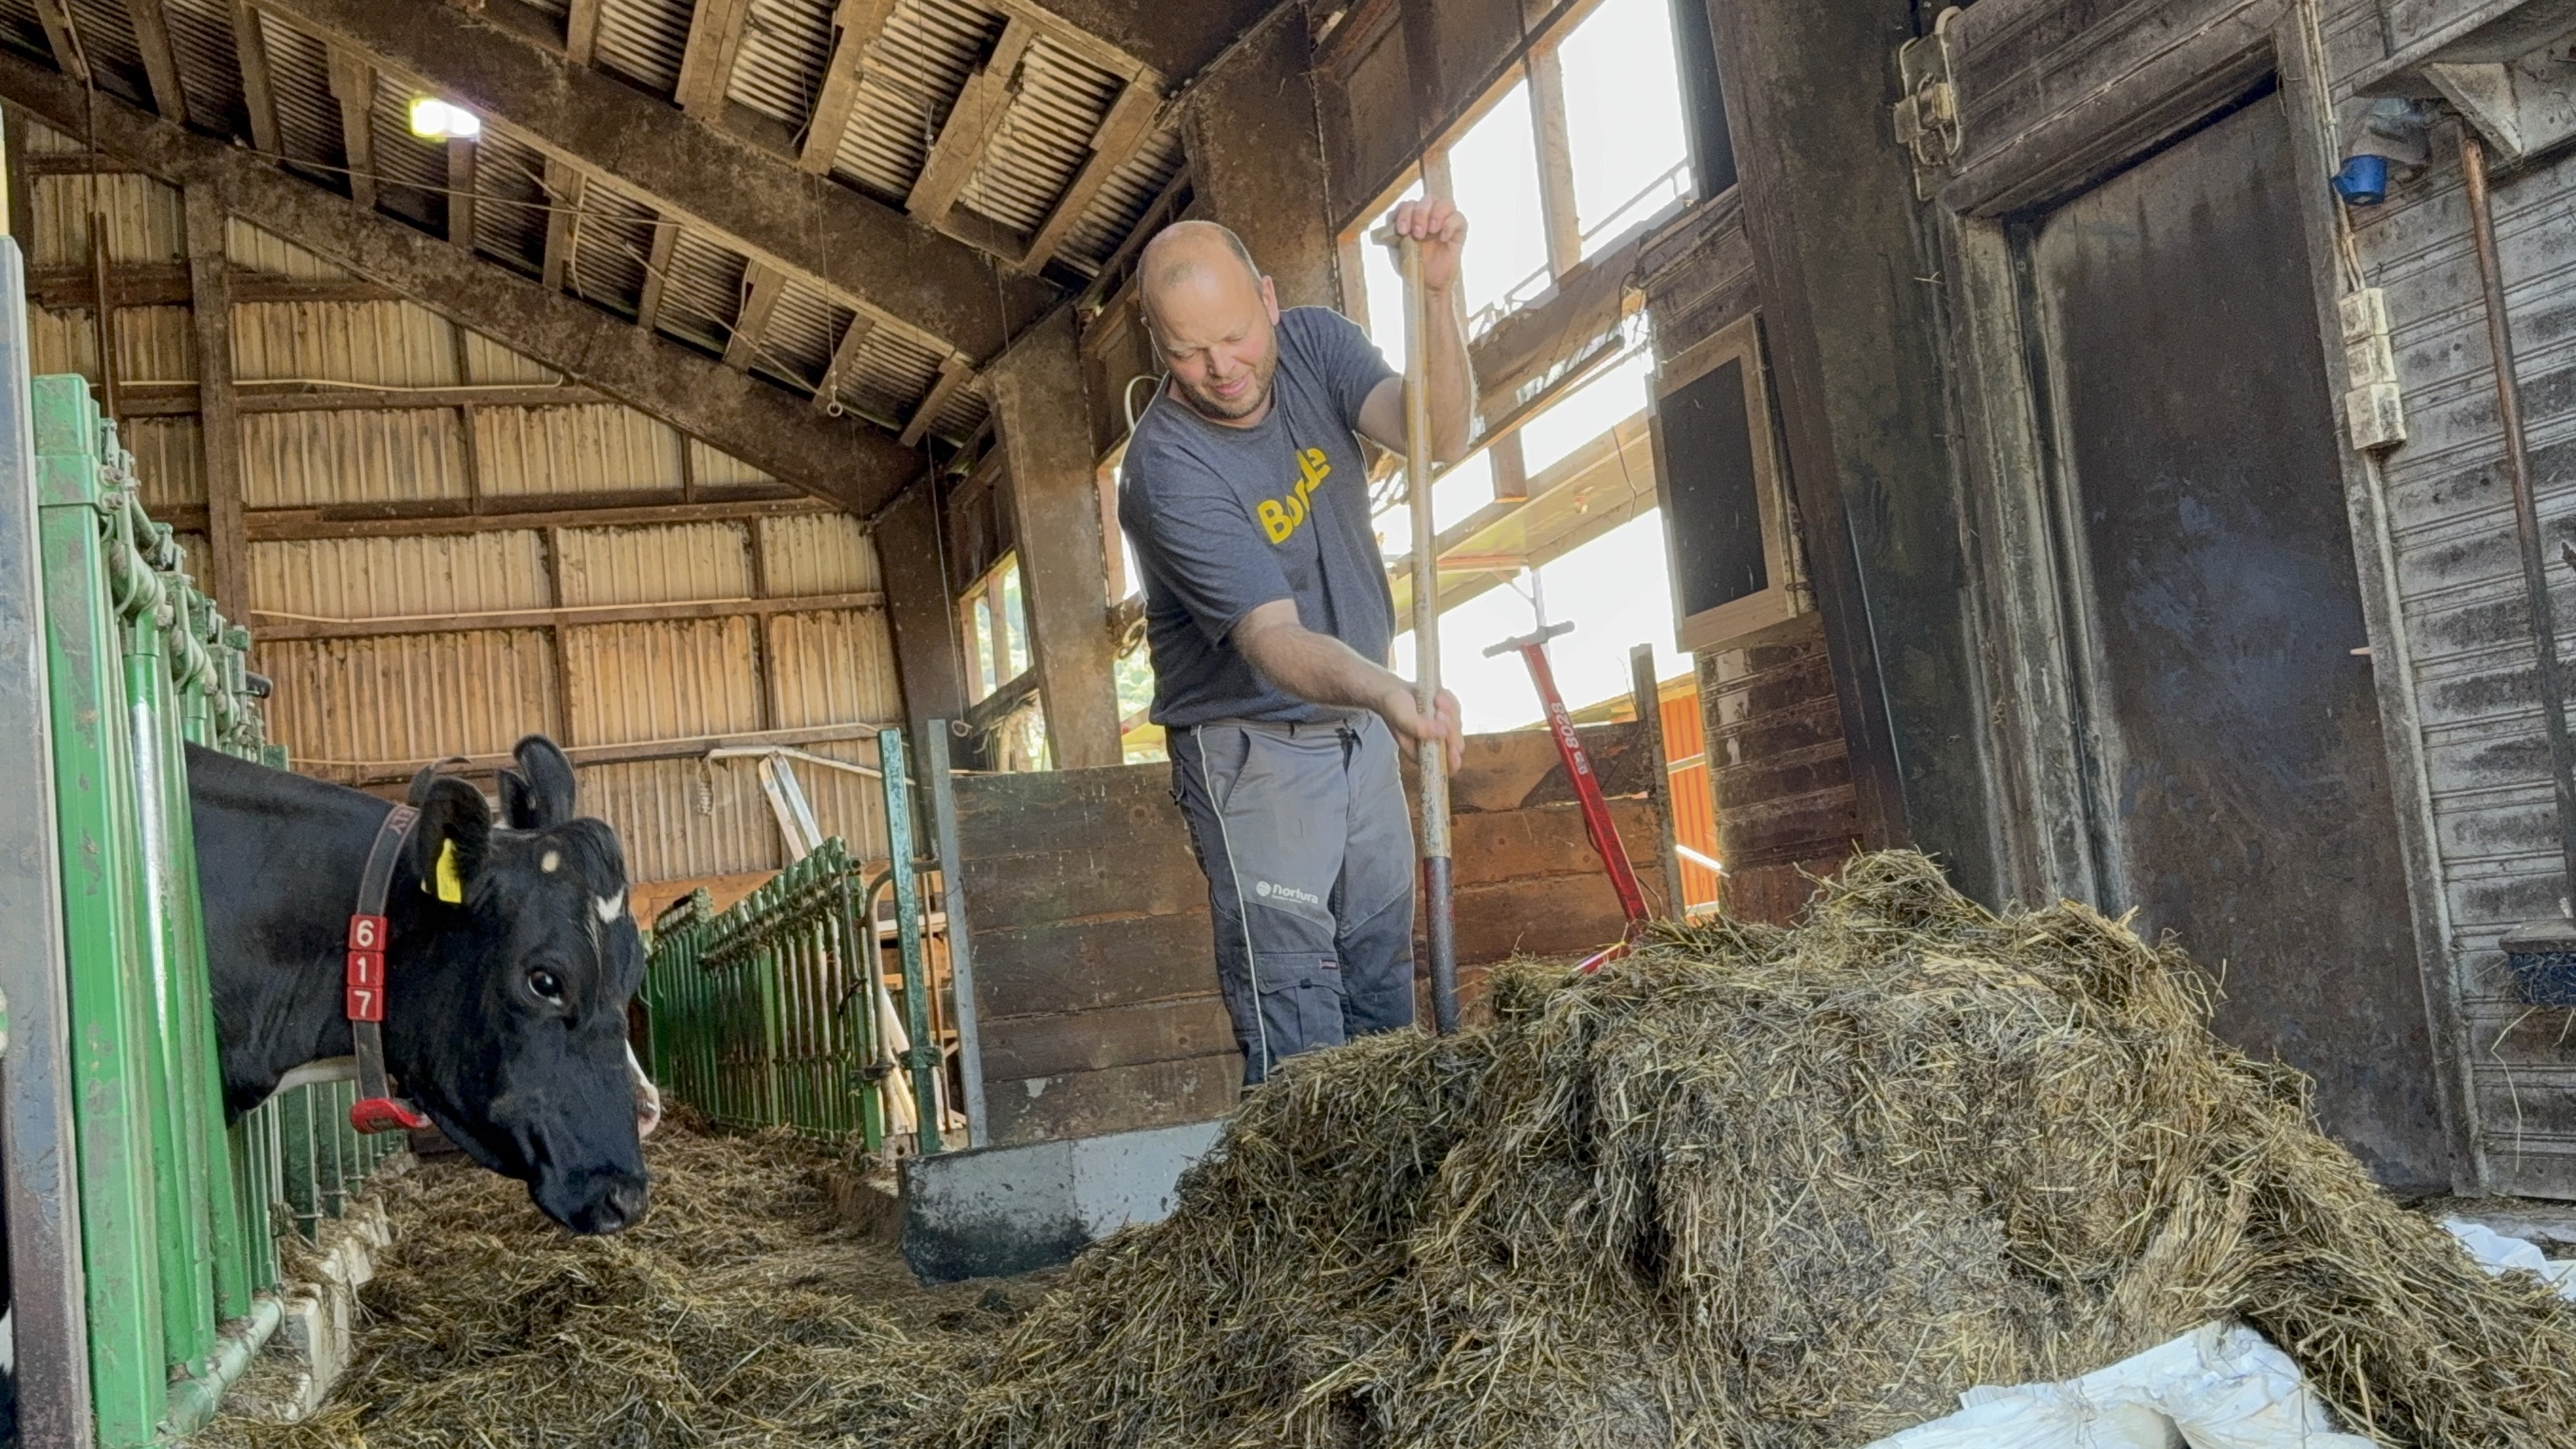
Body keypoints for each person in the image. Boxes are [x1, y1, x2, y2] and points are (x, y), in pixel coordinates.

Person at [1116, 203, 1474, 1085]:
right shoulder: (1166, 471)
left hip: (1357, 730)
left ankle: (1398, 1204)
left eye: (1234, 337)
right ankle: (1304, 1217)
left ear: (1269, 300)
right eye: (1186, 352)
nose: (1220, 369)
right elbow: (1271, 640)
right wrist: (1390, 694)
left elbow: (1439, 433)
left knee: (1380, 974)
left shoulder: (1315, 345)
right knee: (1298, 1011)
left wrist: (1434, 295)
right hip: (1253, 746)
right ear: (1157, 345)